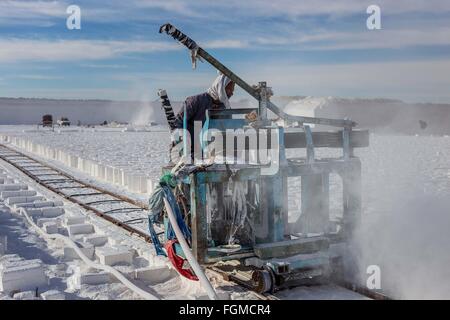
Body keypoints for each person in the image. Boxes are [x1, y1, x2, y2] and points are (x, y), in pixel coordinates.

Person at [171, 73, 235, 161]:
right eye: (229, 89)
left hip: (211, 156)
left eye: (232, 90)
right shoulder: (194, 102)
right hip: (187, 154)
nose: (232, 93)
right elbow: (177, 124)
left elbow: (229, 129)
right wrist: (185, 144)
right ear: (220, 87)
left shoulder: (225, 108)